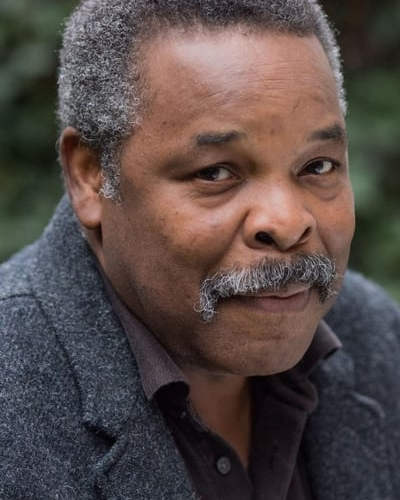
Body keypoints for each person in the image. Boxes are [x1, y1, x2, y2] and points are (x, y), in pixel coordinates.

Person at [1, 0, 399, 498]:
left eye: (318, 167)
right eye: (215, 173)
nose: (287, 222)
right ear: (91, 175)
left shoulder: (377, 338)